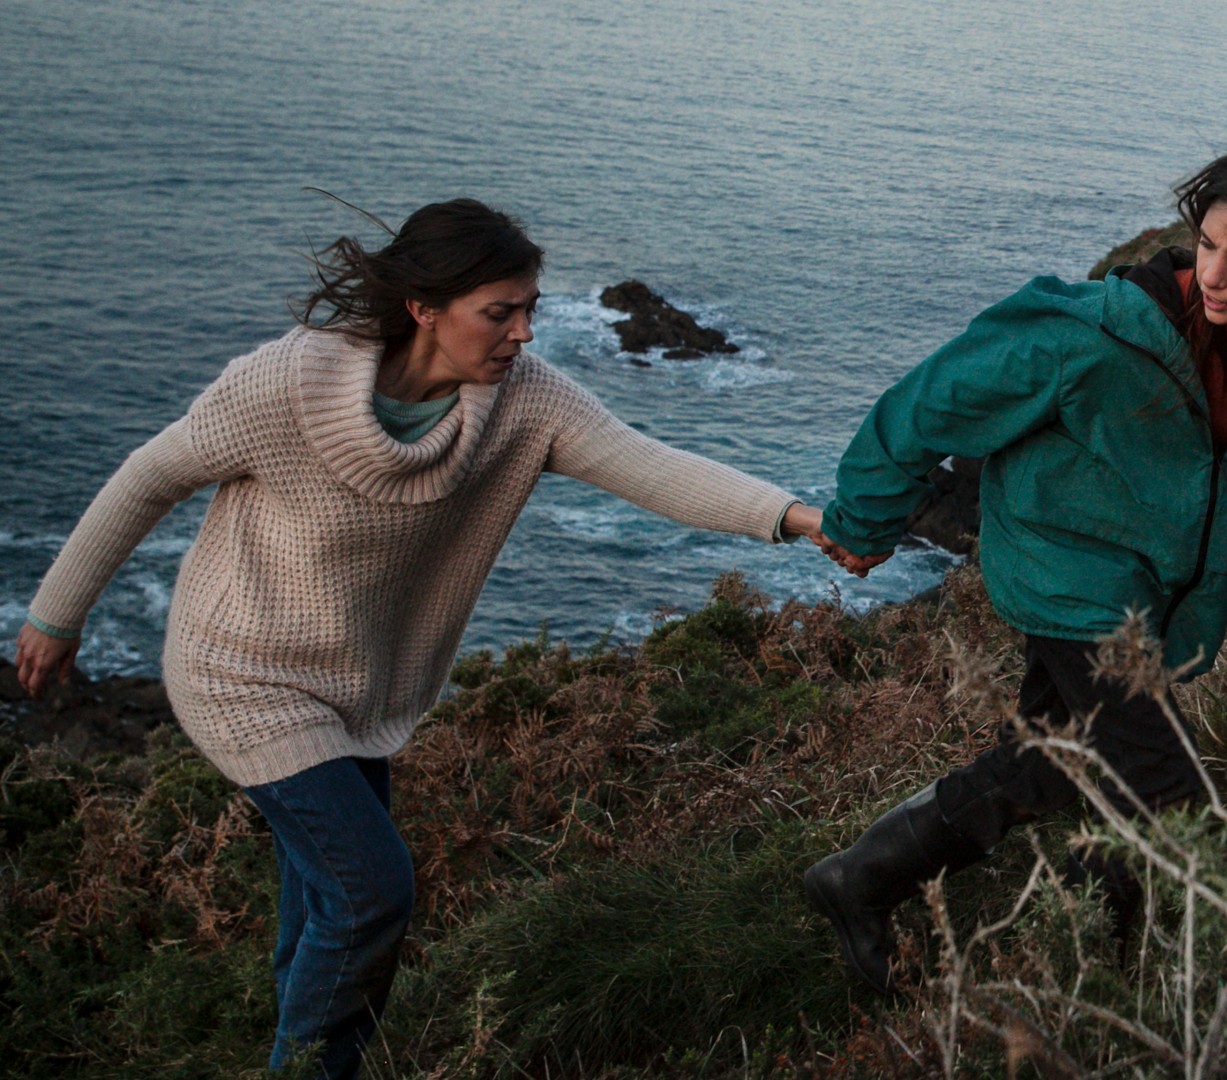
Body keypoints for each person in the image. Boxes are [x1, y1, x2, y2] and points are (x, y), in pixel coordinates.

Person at [11, 198, 833, 1077]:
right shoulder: (288, 384)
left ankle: (294, 1051)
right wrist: (57, 615)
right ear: (424, 308)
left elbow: (650, 466)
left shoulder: (525, 400)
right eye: (499, 312)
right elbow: (150, 476)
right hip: (241, 674)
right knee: (371, 891)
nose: (524, 333)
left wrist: (797, 517)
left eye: (530, 309)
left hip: (355, 688)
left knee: (326, 899)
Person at [803, 135, 1227, 993]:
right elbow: (934, 399)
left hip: (1154, 591)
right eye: (1206, 245)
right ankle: (1132, 979)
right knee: (1167, 790)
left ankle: (864, 882)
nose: (1213, 274)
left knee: (1054, 760)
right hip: (1067, 577)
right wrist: (866, 516)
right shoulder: (1095, 334)